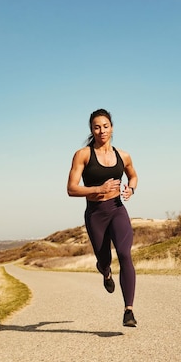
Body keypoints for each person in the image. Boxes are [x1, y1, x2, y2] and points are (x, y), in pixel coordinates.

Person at [67, 108, 138, 327]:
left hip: (117, 209)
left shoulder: (123, 155)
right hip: (96, 213)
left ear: (112, 128)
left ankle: (129, 311)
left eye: (105, 126)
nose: (102, 130)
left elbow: (133, 175)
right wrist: (98, 187)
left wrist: (131, 189)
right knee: (104, 259)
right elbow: (71, 188)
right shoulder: (83, 155)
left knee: (125, 254)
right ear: (92, 130)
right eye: (97, 127)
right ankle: (106, 273)